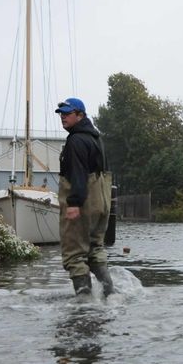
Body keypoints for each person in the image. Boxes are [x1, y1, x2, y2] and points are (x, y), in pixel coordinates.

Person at [56, 97, 114, 298]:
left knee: (74, 255)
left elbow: (78, 173)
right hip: (102, 203)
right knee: (95, 248)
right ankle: (109, 292)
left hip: (83, 203)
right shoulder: (96, 138)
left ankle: (84, 304)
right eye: (61, 113)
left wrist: (74, 203)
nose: (63, 117)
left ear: (80, 115)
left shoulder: (76, 140)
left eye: (68, 113)